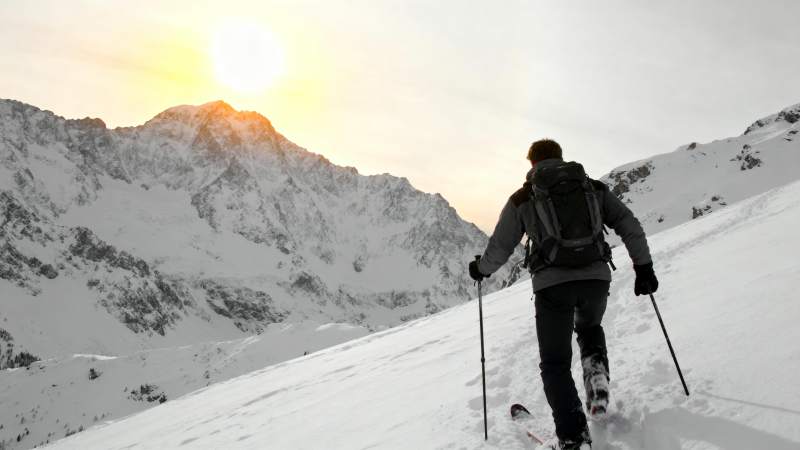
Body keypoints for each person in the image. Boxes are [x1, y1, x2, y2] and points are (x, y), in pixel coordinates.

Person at [468, 139, 658, 450]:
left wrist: (481, 269)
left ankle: (573, 438)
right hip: (596, 278)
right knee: (589, 329)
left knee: (555, 363)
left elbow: (501, 246)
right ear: (560, 157)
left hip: (552, 286)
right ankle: (596, 383)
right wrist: (644, 266)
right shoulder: (591, 188)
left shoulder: (524, 197)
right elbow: (628, 223)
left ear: (532, 164)